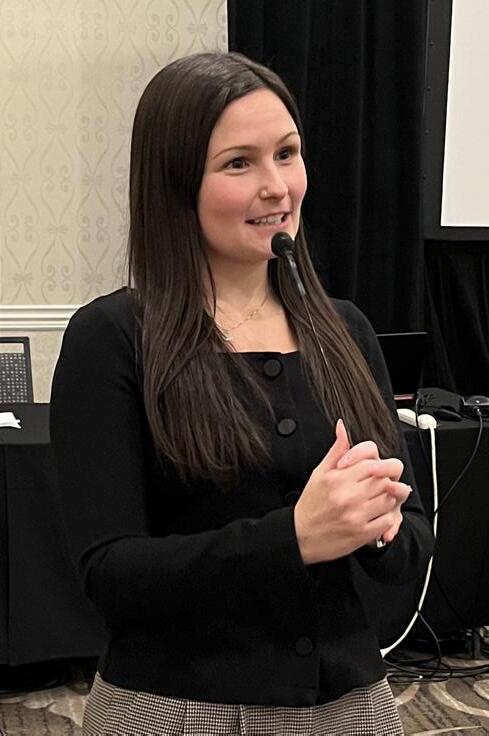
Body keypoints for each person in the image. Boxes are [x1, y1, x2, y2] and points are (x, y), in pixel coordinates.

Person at [50, 51, 433, 735]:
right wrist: (294, 538)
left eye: (287, 154)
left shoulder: (345, 330)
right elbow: (109, 575)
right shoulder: (112, 337)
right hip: (175, 708)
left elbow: (410, 540)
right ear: (175, 184)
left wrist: (377, 527)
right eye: (238, 164)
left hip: (347, 706)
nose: (276, 187)